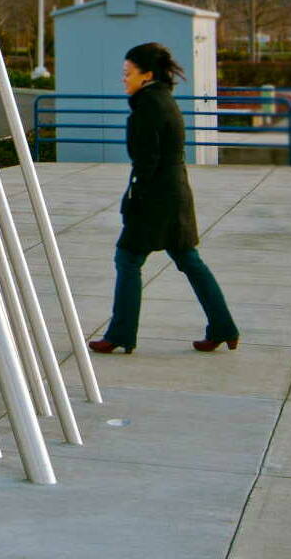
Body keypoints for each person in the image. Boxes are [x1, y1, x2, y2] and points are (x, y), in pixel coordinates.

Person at [88, 41, 240, 354]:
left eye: (127, 73)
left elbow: (147, 160)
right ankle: (223, 327)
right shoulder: (163, 99)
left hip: (156, 196)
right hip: (175, 192)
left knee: (127, 259)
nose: (123, 79)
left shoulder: (148, 105)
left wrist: (136, 200)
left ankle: (120, 333)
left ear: (146, 75)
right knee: (189, 260)